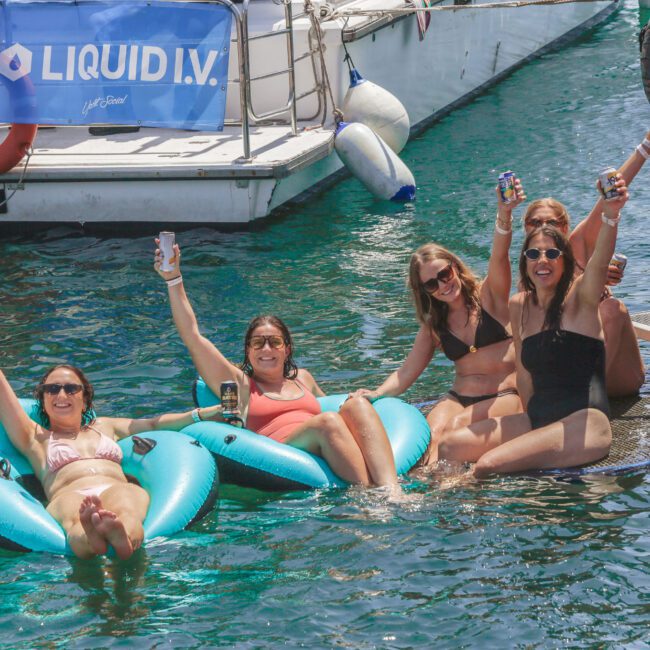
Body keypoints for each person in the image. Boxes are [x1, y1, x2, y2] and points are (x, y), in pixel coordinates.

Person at [154, 242, 399, 489]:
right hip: (284, 449)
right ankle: (368, 495)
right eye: (258, 343)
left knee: (356, 405)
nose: (267, 349)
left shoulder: (303, 378)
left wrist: (356, 399)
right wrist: (174, 279)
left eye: (274, 342)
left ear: (287, 348)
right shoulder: (241, 385)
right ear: (248, 352)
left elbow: (334, 409)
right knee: (327, 422)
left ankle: (392, 490)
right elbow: (193, 337)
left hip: (324, 440)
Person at [438, 175, 629, 476]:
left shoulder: (581, 298)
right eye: (534, 253)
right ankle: (455, 514)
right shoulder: (520, 305)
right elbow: (524, 376)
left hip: (584, 422)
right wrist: (529, 429)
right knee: (450, 446)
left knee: (488, 464)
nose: (543, 260)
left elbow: (602, 253)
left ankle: (454, 502)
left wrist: (611, 211)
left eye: (552, 253)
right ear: (525, 261)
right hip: (540, 417)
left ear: (565, 260)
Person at [351, 180, 526, 465]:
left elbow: (499, 255)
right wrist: (376, 394)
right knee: (430, 437)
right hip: (458, 396)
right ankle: (420, 498)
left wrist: (504, 213)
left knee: (454, 432)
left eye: (445, 275)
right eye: (432, 284)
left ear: (454, 267)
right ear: (425, 292)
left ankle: (449, 491)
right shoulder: (434, 325)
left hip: (504, 395)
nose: (443, 285)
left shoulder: (490, 297)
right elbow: (406, 372)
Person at [0, 364, 223, 559]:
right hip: (69, 493)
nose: (61, 394)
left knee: (128, 506)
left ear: (85, 400)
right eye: (52, 389)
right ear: (43, 401)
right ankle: (91, 536)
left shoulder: (105, 426)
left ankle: (121, 536)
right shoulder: (34, 438)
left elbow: (154, 424)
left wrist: (200, 414)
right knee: (74, 522)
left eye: (71, 388)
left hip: (114, 486)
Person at [521, 130, 650, 396]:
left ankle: (582, 400)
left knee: (612, 309)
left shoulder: (577, 246)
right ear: (525, 229)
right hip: (567, 369)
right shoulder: (531, 270)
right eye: (535, 223)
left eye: (552, 222)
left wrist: (645, 147)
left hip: (616, 373)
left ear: (565, 228)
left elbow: (610, 199)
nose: (544, 228)